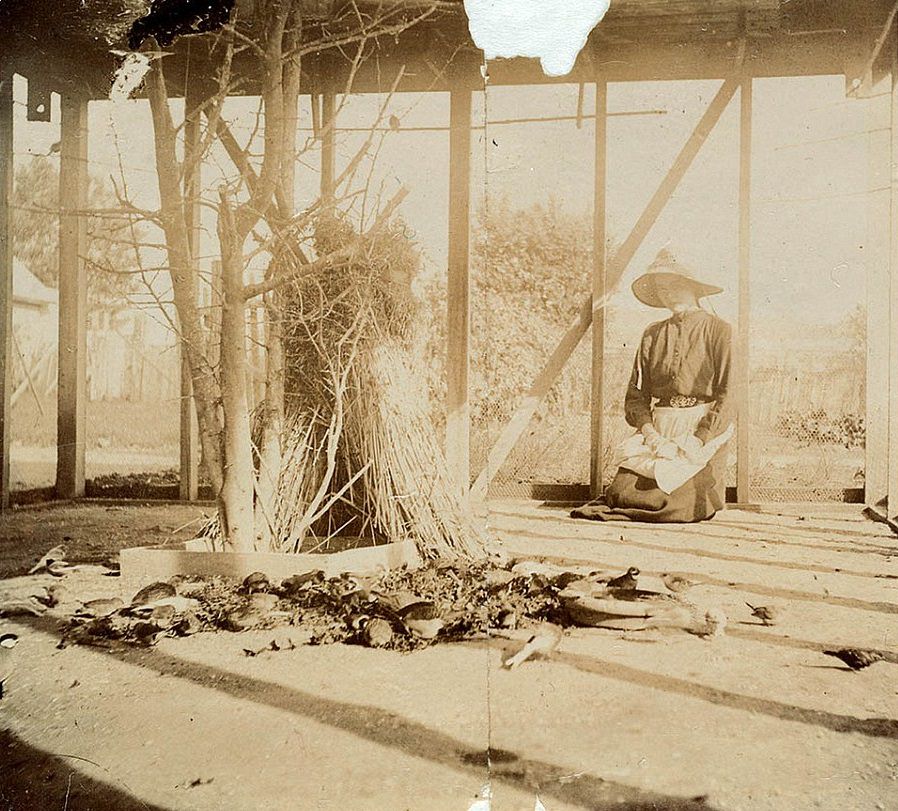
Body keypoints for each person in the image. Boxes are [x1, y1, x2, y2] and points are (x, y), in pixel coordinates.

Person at [572, 249, 734, 523]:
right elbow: (636, 396)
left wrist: (698, 438)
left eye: (674, 285)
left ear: (693, 287)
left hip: (699, 429)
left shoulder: (719, 330)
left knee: (677, 503)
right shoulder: (653, 334)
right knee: (621, 494)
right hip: (660, 429)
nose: (668, 294)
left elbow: (729, 394)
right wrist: (651, 434)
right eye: (661, 288)